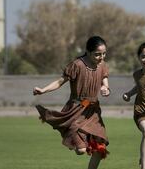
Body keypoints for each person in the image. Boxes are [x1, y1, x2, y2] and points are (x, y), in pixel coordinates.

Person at [33, 36, 111, 169]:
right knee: (81, 151)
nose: (101, 57)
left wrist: (105, 88)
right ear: (88, 51)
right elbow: (60, 82)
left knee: (100, 148)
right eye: (97, 54)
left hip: (93, 112)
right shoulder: (77, 65)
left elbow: (105, 82)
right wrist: (43, 90)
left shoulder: (102, 65)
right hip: (77, 109)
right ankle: (74, 137)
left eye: (104, 54)